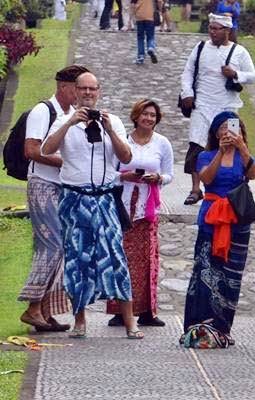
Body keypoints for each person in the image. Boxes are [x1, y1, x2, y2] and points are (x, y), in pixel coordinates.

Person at [41, 72, 143, 340]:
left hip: (105, 197)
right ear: (75, 91)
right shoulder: (64, 121)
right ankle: (80, 320)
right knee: (77, 259)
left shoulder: (115, 122)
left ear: (99, 91)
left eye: (92, 89)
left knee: (116, 258)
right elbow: (46, 150)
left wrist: (109, 129)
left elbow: (126, 157)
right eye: (83, 89)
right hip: (74, 198)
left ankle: (130, 321)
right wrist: (69, 123)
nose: (87, 93)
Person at [18, 65, 90, 332]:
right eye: (78, 87)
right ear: (64, 87)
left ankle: (45, 310)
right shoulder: (43, 111)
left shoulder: (71, 114)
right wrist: (67, 162)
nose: (82, 92)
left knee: (63, 249)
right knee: (52, 246)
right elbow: (31, 150)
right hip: (43, 185)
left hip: (64, 187)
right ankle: (33, 308)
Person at [183, 111, 255, 344]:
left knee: (231, 275)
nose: (228, 132)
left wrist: (242, 148)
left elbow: (252, 173)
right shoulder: (206, 155)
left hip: (236, 219)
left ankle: (223, 328)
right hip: (212, 217)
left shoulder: (243, 156)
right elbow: (206, 179)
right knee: (206, 269)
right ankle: (200, 325)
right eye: (223, 128)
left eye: (232, 127)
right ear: (216, 133)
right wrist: (221, 153)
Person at [106, 99, 173, 327]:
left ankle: (147, 311)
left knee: (148, 259)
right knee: (121, 257)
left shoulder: (162, 143)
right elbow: (109, 172)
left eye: (153, 115)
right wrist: (124, 177)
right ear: (136, 116)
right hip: (124, 206)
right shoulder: (123, 141)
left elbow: (169, 174)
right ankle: (119, 310)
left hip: (147, 208)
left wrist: (159, 179)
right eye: (145, 114)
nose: (148, 119)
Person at [180, 13, 255, 206]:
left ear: (227, 31)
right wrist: (187, 93)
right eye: (211, 28)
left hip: (228, 107)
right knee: (197, 144)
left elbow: (252, 76)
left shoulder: (239, 52)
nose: (212, 32)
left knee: (232, 142)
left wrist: (235, 74)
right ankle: (196, 189)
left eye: (217, 28)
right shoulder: (200, 48)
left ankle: (233, 183)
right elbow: (188, 72)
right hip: (202, 105)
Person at [134, 0, 162, 65]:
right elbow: (160, 1)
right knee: (150, 36)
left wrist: (134, 14)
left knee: (140, 38)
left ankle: (141, 56)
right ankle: (151, 47)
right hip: (150, 16)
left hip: (139, 16)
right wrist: (159, 10)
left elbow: (133, 4)